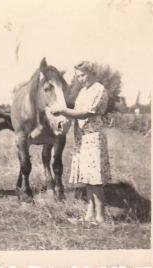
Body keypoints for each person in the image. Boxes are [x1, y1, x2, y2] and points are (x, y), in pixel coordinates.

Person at [49, 61, 111, 224]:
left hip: (93, 137)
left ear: (91, 72)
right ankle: (89, 216)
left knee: (95, 180)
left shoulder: (99, 89)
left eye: (82, 75)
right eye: (77, 76)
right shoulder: (83, 91)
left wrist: (62, 110)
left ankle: (100, 218)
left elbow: (84, 114)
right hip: (82, 138)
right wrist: (62, 123)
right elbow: (75, 113)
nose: (80, 79)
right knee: (88, 179)